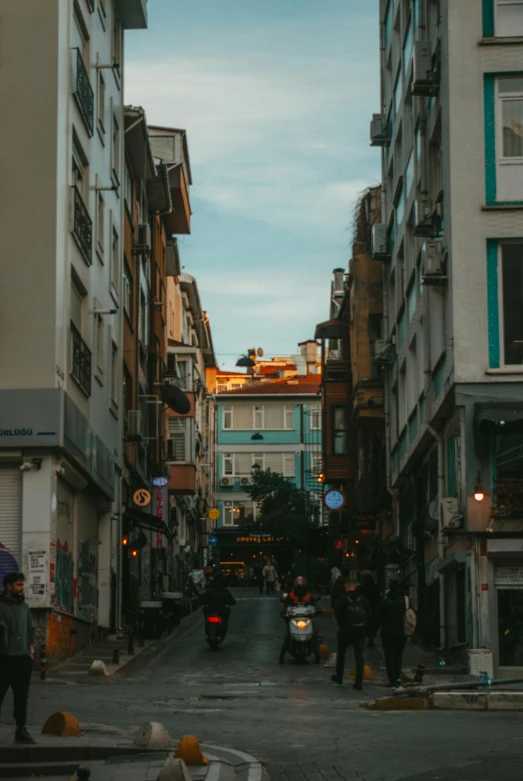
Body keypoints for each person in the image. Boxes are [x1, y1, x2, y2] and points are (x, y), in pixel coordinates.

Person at [0, 572, 36, 744]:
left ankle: (21, 730)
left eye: (22, 585)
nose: (22, 589)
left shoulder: (24, 606)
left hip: (23, 659)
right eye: (18, 585)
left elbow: (31, 628)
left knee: (22, 697)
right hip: (4, 659)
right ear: (8, 586)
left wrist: (31, 649)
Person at [331, 579, 371, 689]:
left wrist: (343, 625)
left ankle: (339, 677)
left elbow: (337, 613)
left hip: (345, 630)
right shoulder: (361, 598)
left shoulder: (342, 598)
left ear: (346, 586)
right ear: (355, 586)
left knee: (341, 654)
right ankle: (358, 681)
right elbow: (368, 612)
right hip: (360, 630)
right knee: (359, 655)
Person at [279, 576, 319, 664]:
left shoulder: (308, 596)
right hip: (293, 619)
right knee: (287, 635)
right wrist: (285, 613)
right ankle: (281, 657)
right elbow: (286, 605)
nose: (300, 589)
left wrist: (314, 610)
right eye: (299, 586)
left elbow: (313, 605)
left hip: (306, 618)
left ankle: (317, 655)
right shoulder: (291, 596)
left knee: (315, 634)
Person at [379, 580, 407, 687]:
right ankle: (397, 675)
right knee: (398, 654)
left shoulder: (385, 601)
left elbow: (379, 616)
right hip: (401, 632)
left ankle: (392, 678)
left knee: (389, 655)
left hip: (387, 632)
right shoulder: (404, 601)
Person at [358, 573, 381, 647]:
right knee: (372, 625)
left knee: (363, 624)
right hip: (373, 608)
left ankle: (362, 639)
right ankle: (371, 637)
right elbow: (378, 599)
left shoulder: (360, 588)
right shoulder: (376, 588)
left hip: (363, 609)